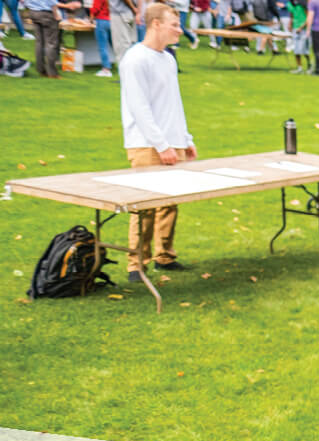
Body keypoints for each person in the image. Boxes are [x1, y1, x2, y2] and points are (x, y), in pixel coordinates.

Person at [120, 3, 194, 284]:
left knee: (170, 203)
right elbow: (140, 108)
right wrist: (161, 145)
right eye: (174, 24)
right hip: (146, 143)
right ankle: (136, 264)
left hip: (171, 141)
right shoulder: (136, 59)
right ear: (155, 24)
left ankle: (165, 255)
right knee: (145, 206)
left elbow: (174, 104)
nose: (180, 29)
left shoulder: (169, 59)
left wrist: (185, 140)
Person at [21, 0, 79, 77]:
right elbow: (52, 2)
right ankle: (52, 73)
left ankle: (41, 69)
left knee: (39, 43)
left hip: (33, 12)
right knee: (51, 43)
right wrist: (67, 7)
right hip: (46, 14)